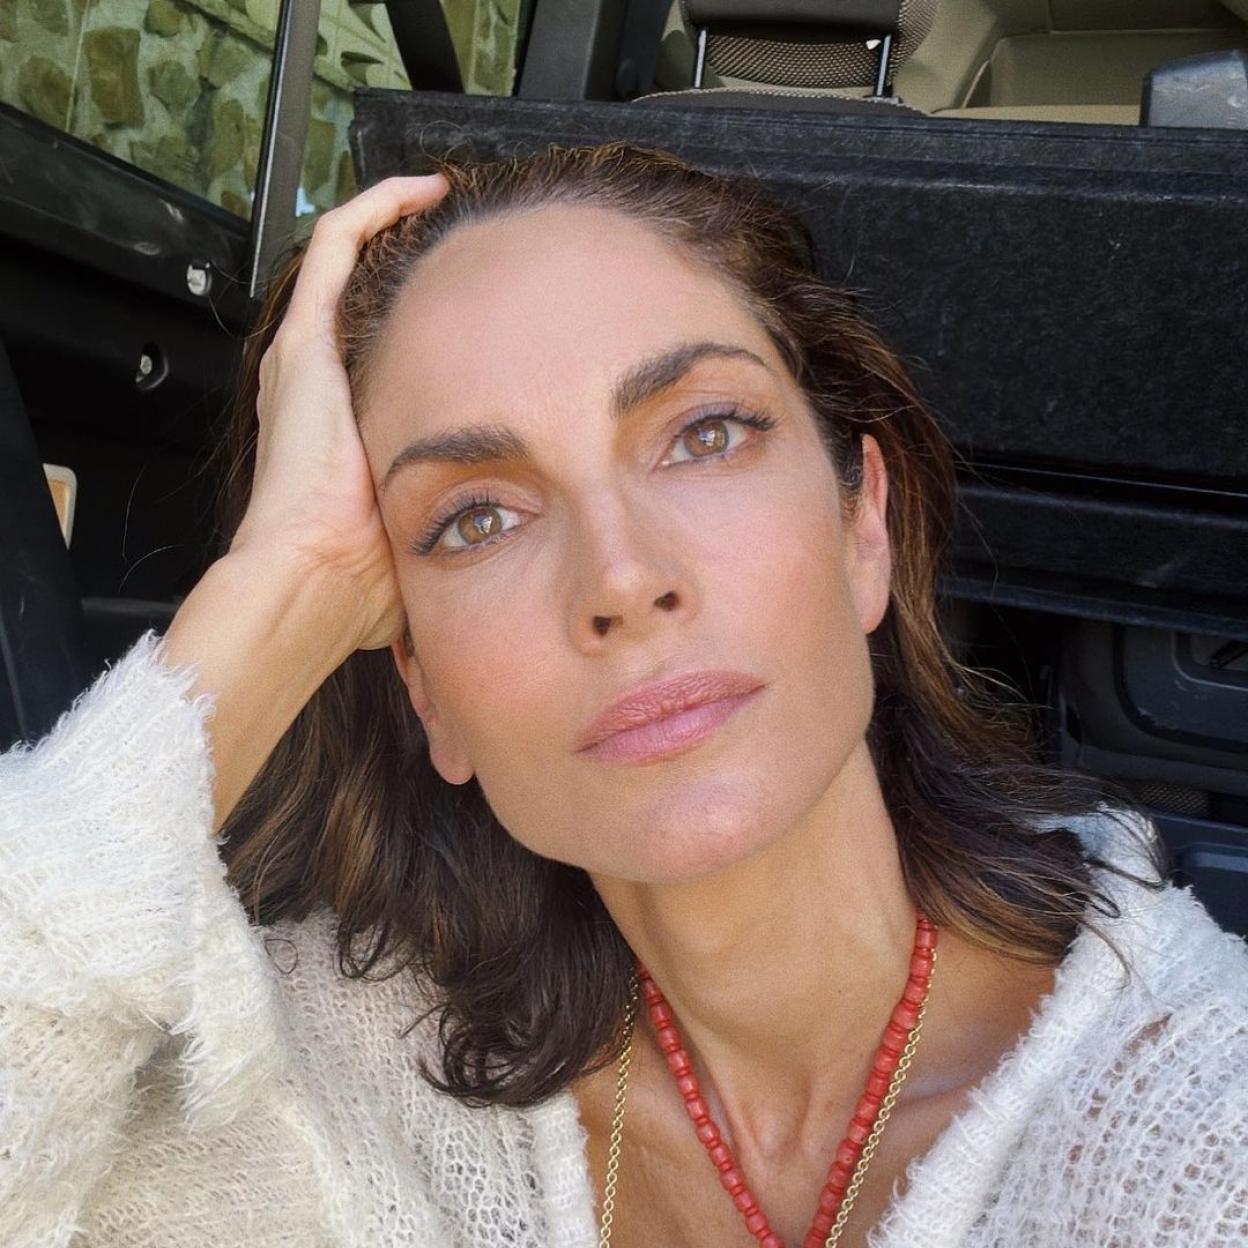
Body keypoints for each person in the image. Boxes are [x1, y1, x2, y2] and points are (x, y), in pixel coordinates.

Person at [1, 141, 1245, 1248]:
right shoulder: (341, 1089)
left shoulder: (1199, 1132)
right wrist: (284, 586)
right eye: (477, 519)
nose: (622, 578)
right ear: (424, 688)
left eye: (705, 434)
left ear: (863, 526)